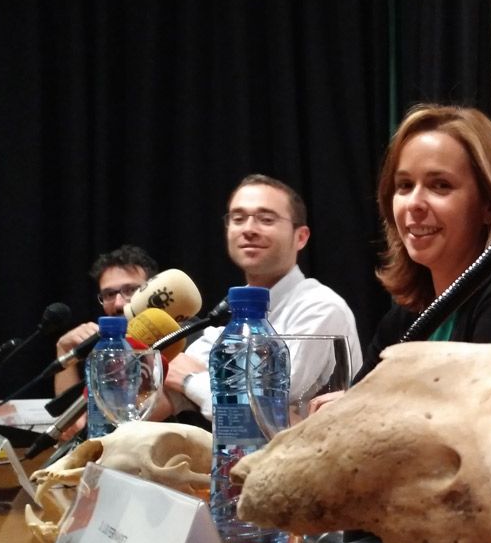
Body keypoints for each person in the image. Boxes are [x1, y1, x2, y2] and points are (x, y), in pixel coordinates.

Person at [355, 104, 491, 380]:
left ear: (488, 204)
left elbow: (473, 418)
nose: (414, 203)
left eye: (440, 185)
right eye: (404, 186)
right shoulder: (405, 318)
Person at [162, 174, 364, 422]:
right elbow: (167, 386)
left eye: (266, 219)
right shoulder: (229, 314)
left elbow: (269, 412)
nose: (248, 229)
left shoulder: (320, 307)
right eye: (238, 219)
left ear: (300, 237)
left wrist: (191, 382)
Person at [53, 244, 159, 396]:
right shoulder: (98, 348)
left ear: (154, 291)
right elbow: (72, 419)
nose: (118, 304)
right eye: (109, 294)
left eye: (130, 290)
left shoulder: (185, 334)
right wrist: (64, 350)